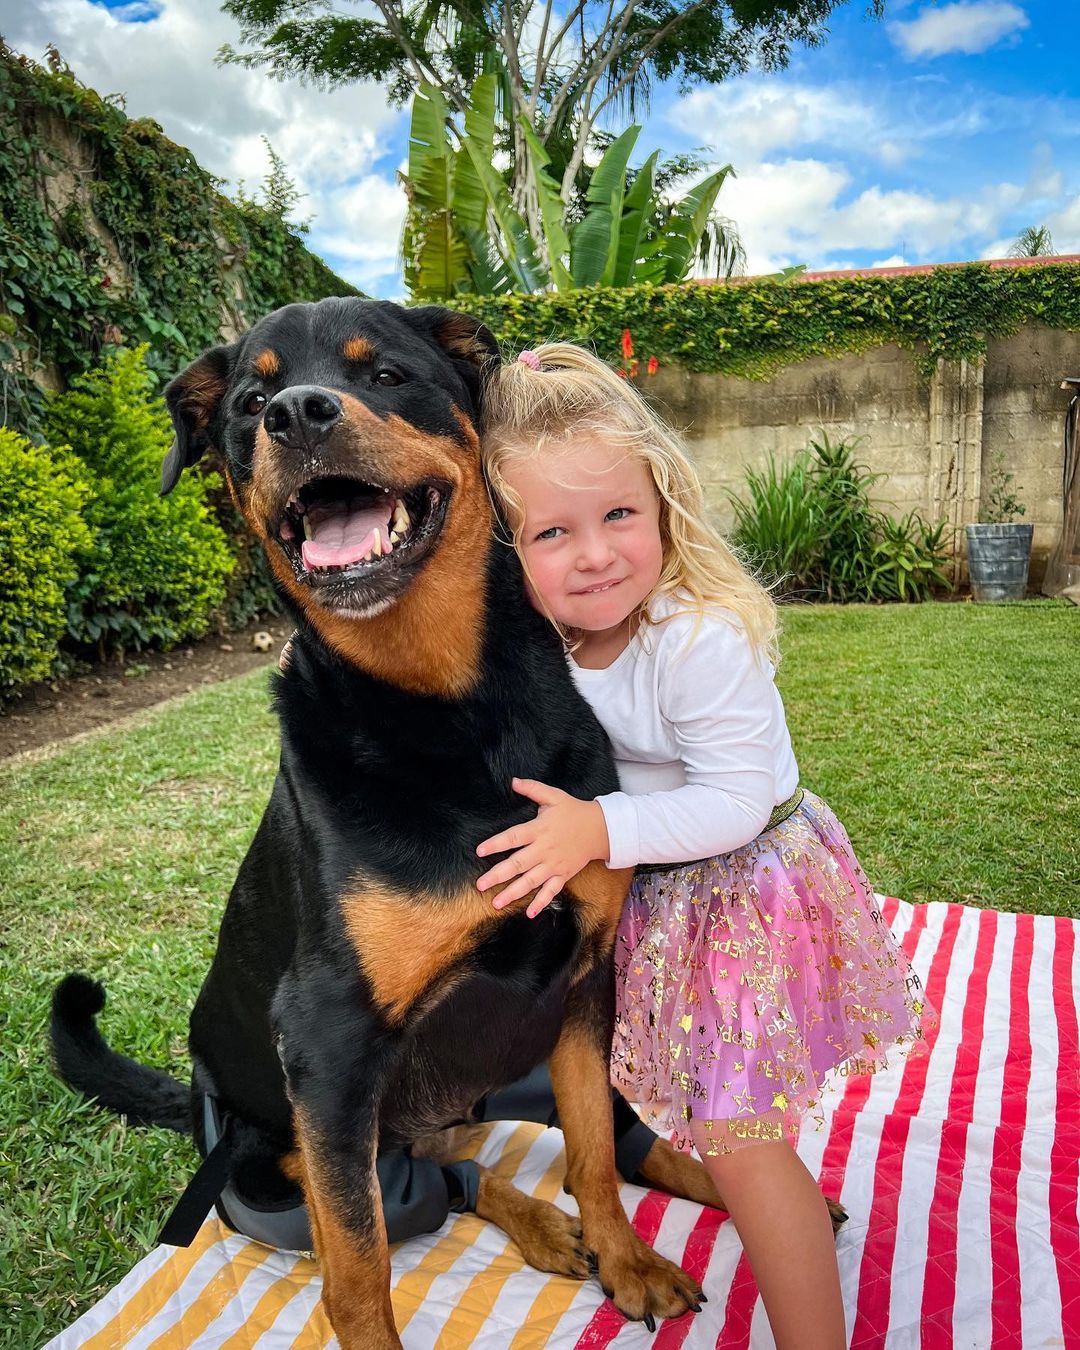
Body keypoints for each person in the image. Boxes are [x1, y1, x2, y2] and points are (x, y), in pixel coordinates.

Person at [474, 343, 929, 1350]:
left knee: (739, 1135)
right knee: (731, 1122)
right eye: (554, 531)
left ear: (664, 502)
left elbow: (729, 801)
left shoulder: (694, 636)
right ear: (504, 549)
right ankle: (784, 1200)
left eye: (619, 516)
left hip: (750, 898)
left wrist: (597, 826)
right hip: (678, 901)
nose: (594, 554)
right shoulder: (556, 643)